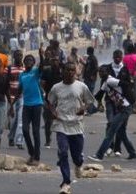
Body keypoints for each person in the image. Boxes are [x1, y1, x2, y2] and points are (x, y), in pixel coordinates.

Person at [47, 62, 95, 194]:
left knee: (76, 156)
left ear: (76, 72)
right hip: (61, 124)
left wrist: (83, 109)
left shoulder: (81, 86)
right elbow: (50, 102)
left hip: (76, 125)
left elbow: (90, 101)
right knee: (63, 152)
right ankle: (66, 183)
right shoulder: (57, 88)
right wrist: (53, 111)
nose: (70, 72)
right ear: (63, 71)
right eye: (67, 70)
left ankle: (78, 164)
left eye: (72, 70)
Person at [89, 63, 136, 162]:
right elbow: (98, 95)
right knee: (121, 132)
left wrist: (126, 91)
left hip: (125, 108)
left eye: (102, 72)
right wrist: (96, 104)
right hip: (122, 109)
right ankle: (132, 153)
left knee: (111, 131)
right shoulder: (105, 83)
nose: (100, 73)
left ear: (107, 72)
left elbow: (125, 84)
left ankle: (99, 155)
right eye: (100, 72)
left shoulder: (111, 80)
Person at [15, 53, 44, 166]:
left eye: (31, 60)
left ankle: (36, 157)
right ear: (24, 62)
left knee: (35, 132)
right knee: (25, 130)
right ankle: (31, 153)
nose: (28, 62)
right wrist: (12, 105)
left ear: (33, 62)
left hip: (37, 104)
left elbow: (42, 65)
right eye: (26, 60)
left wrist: (41, 54)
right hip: (26, 105)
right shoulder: (22, 75)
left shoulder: (36, 72)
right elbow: (19, 90)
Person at [8, 50, 25, 150]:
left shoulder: (25, 69)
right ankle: (11, 136)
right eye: (17, 55)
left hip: (22, 97)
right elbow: (6, 83)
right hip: (11, 97)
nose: (19, 57)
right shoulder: (9, 68)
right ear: (14, 57)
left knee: (20, 120)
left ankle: (19, 141)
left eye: (20, 55)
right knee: (13, 120)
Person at [122, 44, 136, 113]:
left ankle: (128, 107)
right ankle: (134, 108)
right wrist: (134, 73)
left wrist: (129, 74)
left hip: (127, 76)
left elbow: (124, 67)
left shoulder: (125, 58)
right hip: (135, 76)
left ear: (127, 50)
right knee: (135, 92)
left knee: (127, 92)